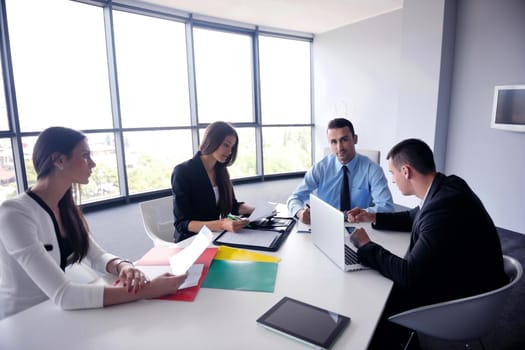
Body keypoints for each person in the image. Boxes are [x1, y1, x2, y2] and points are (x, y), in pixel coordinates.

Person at [0, 127, 187, 320]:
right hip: (22, 320)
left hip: (56, 313)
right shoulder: (14, 214)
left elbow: (97, 256)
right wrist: (148, 290)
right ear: (59, 160)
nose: (93, 164)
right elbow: (65, 295)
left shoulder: (65, 207)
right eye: (85, 156)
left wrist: (123, 266)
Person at [347, 138, 507, 348]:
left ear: (406, 171)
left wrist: (366, 246)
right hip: (477, 279)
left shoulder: (441, 209)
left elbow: (409, 275)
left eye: (393, 173)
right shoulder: (448, 186)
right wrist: (373, 216)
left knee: (380, 297)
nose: (393, 180)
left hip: (467, 303)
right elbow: (415, 216)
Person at [287, 118, 394, 224]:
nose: (339, 147)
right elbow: (294, 198)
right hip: (327, 225)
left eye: (344, 139)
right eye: (334, 142)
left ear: (355, 139)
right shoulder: (320, 168)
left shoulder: (372, 169)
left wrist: (363, 213)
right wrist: (300, 212)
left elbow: (387, 207)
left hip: (361, 227)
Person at [171, 121, 254, 242]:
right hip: (190, 241)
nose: (230, 152)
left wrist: (258, 211)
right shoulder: (183, 172)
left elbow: (233, 206)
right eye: (226, 145)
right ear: (211, 141)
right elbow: (182, 224)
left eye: (232, 147)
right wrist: (221, 224)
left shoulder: (221, 170)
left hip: (213, 236)